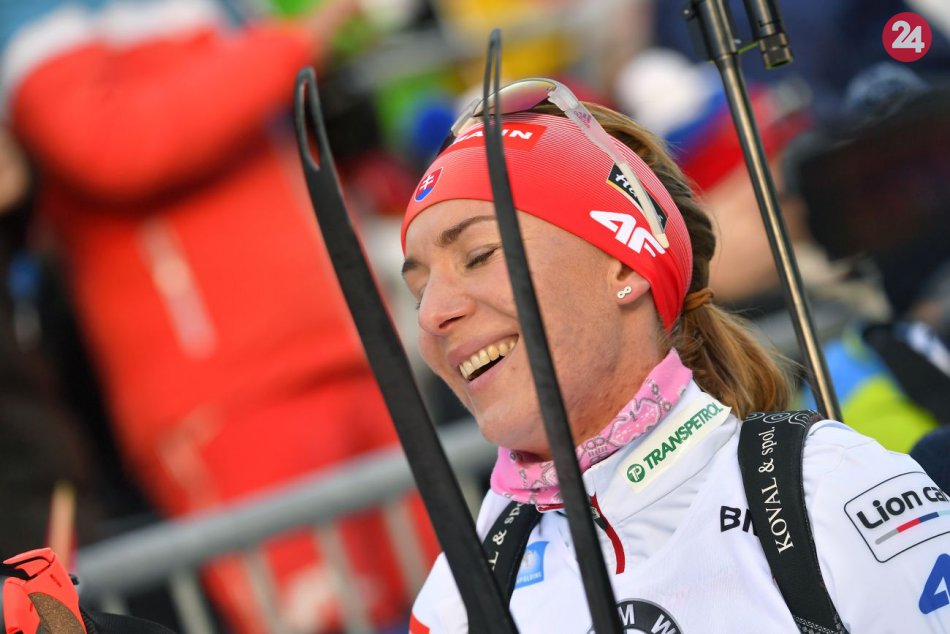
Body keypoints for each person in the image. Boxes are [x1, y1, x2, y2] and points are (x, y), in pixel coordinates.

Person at [398, 79, 950, 632]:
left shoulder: (829, 494)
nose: (432, 315)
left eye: (479, 255)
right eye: (420, 291)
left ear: (625, 263)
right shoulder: (457, 600)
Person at [0, 1, 436, 631]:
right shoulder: (34, 17)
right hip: (230, 397)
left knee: (449, 600)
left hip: (350, 351)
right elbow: (117, 146)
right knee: (327, 620)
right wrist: (295, 44)